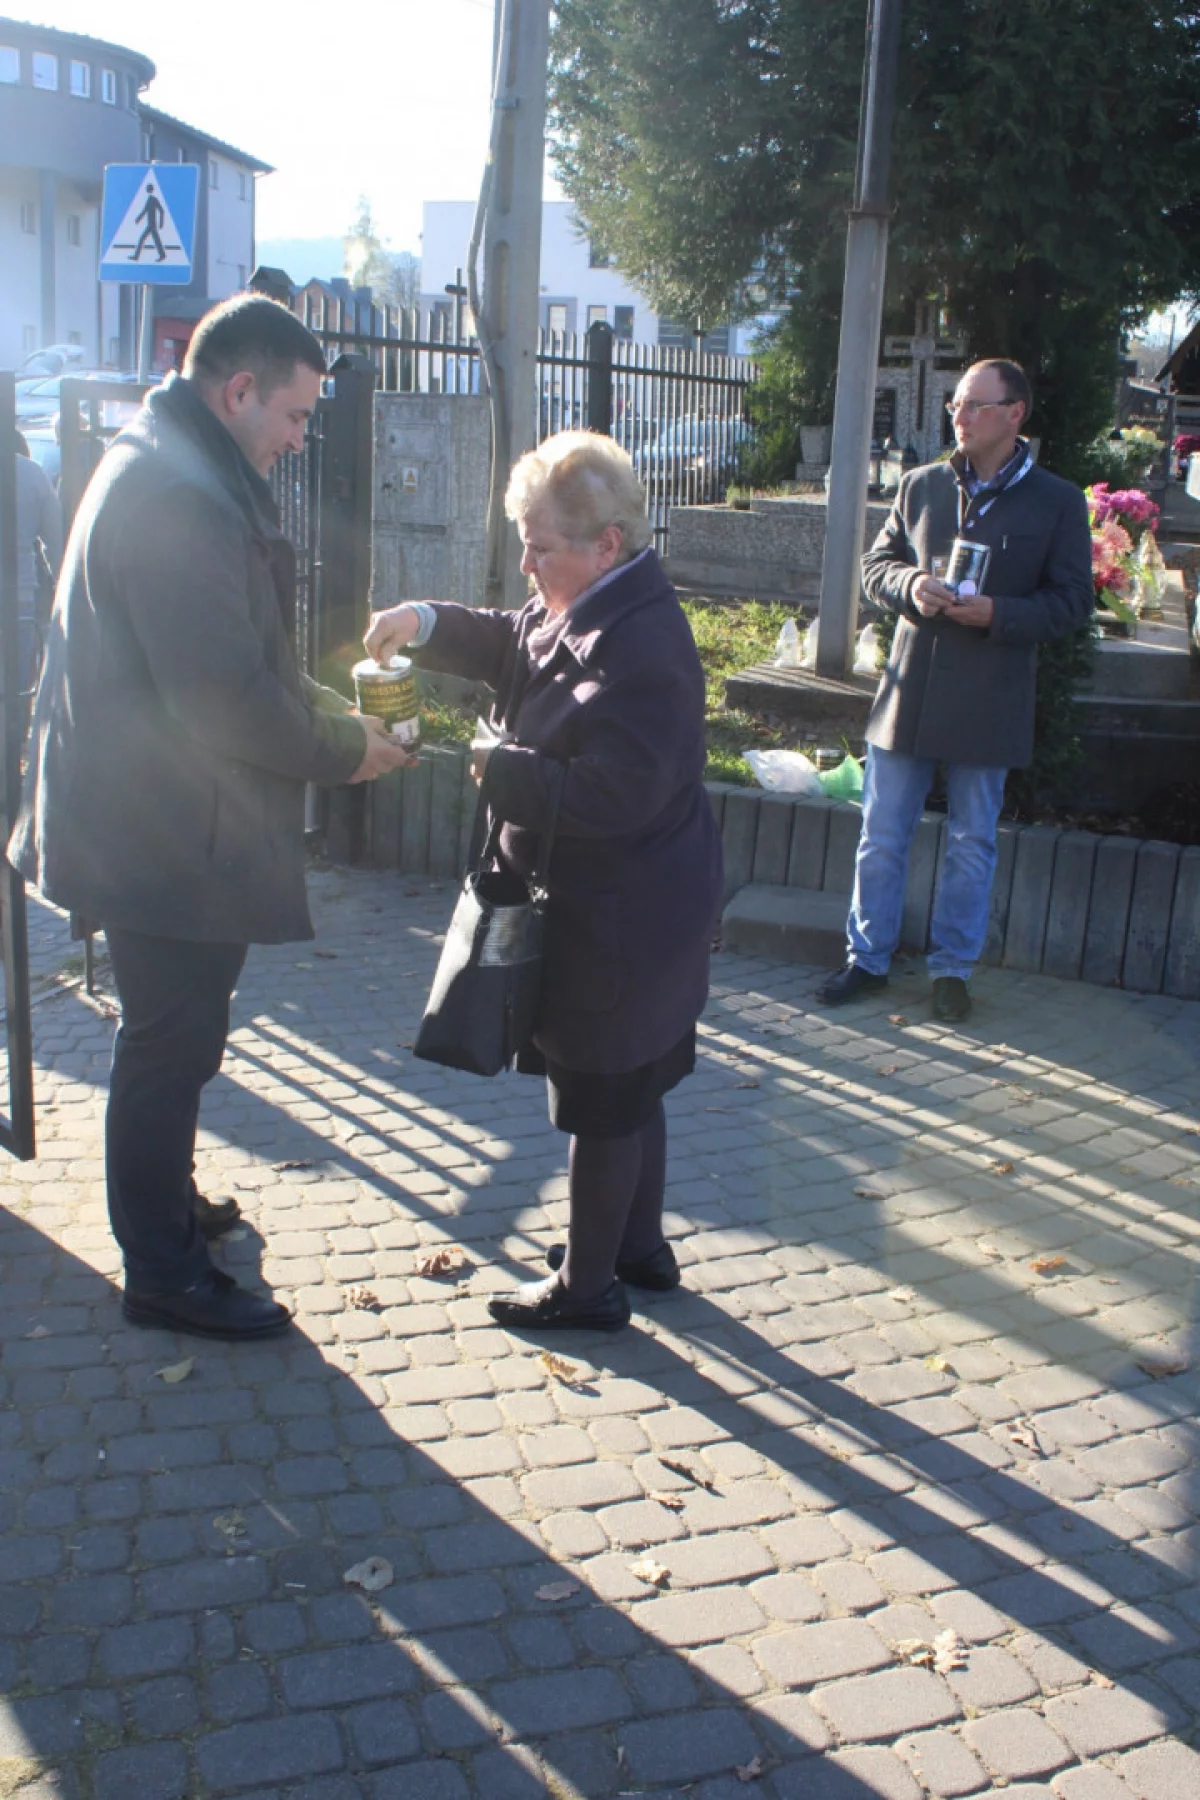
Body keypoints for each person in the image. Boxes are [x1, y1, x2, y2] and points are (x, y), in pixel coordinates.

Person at [8, 294, 414, 1341]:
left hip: (156, 819)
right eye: (292, 417)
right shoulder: (178, 494)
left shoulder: (177, 459)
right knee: (167, 1042)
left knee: (183, 1040)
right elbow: (222, 698)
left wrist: (327, 711)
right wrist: (340, 749)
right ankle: (162, 1271)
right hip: (152, 832)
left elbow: (239, 659)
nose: (297, 439)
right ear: (238, 391)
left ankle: (168, 1212)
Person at [366, 431, 723, 1333]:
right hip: (627, 910)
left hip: (624, 916)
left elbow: (620, 794)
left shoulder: (641, 644)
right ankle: (636, 1249)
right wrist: (423, 620)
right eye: (522, 540)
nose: (524, 564)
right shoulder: (589, 600)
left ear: (605, 542)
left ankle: (589, 1289)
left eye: (540, 545)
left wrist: (502, 767)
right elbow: (508, 641)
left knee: (601, 1098)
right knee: (635, 1084)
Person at [818, 358, 1093, 1023]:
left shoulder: (1057, 501)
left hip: (990, 695)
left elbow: (1072, 603)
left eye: (973, 406)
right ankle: (869, 959)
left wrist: (1002, 614)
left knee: (973, 841)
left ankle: (952, 969)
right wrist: (911, 587)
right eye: (956, 407)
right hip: (910, 692)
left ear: (1015, 414)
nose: (959, 417)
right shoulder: (922, 485)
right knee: (882, 835)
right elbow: (875, 567)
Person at [6, 430, 63, 721]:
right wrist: (62, 589)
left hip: (20, 595)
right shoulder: (33, 475)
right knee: (18, 685)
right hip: (19, 597)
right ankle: (14, 749)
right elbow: (56, 541)